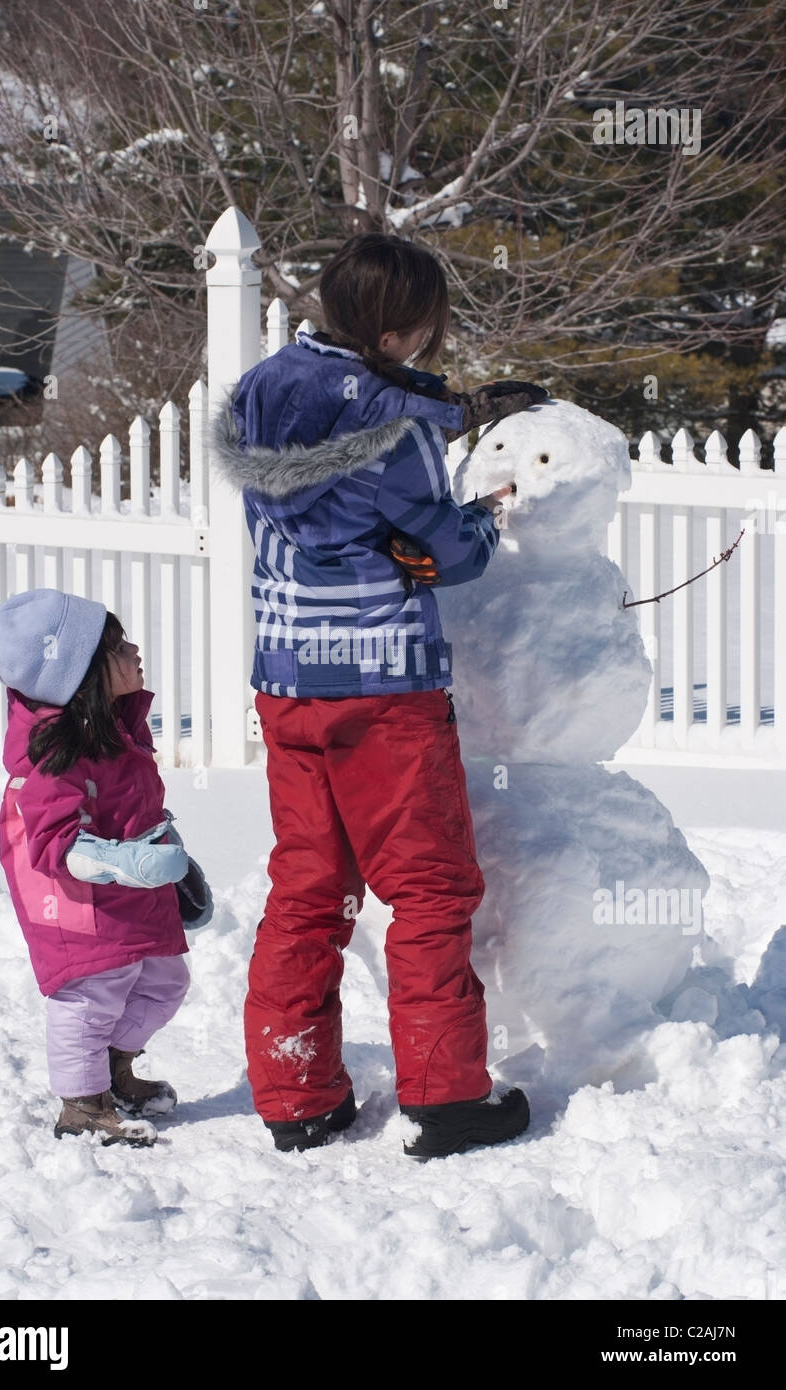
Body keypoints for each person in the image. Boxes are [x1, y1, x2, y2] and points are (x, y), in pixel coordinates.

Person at [209, 232, 548, 1159]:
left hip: (287, 681)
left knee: (309, 889)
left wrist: (458, 407)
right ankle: (445, 1097)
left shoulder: (266, 390)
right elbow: (443, 550)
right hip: (384, 687)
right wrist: (478, 521)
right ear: (399, 331)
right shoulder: (395, 430)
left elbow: (357, 400)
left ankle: (296, 1095)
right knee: (430, 886)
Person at [0, 588, 195, 1148]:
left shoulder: (114, 725)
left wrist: (178, 863)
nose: (135, 650)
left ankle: (114, 1072)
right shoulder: (55, 752)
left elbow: (139, 808)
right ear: (80, 673)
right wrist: (133, 862)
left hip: (129, 886)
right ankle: (83, 1105)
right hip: (76, 894)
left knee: (166, 982)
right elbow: (53, 844)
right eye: (117, 645)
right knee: (92, 994)